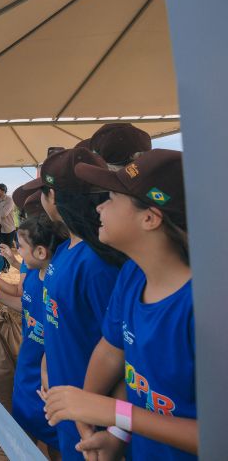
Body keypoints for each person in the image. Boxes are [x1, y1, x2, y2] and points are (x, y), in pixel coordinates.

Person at [43, 149, 197, 459]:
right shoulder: (132, 276)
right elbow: (113, 353)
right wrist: (107, 428)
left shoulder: (202, 308)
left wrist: (115, 413)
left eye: (112, 197)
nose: (99, 206)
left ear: (149, 218)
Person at [18, 148, 124, 459]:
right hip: (66, 402)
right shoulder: (65, 250)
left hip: (93, 416)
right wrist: (47, 364)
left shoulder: (97, 262)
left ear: (53, 197)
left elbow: (119, 347)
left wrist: (109, 425)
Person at [0, 216, 67, 458]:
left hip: (48, 366)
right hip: (28, 360)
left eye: (21, 247)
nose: (17, 253)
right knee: (29, 420)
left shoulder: (58, 284)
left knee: (54, 429)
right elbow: (25, 305)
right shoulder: (32, 275)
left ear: (41, 252)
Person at [0, 183, 17, 248]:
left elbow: (3, 214)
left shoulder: (9, 200)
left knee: (7, 249)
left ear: (3, 191)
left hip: (8, 230)